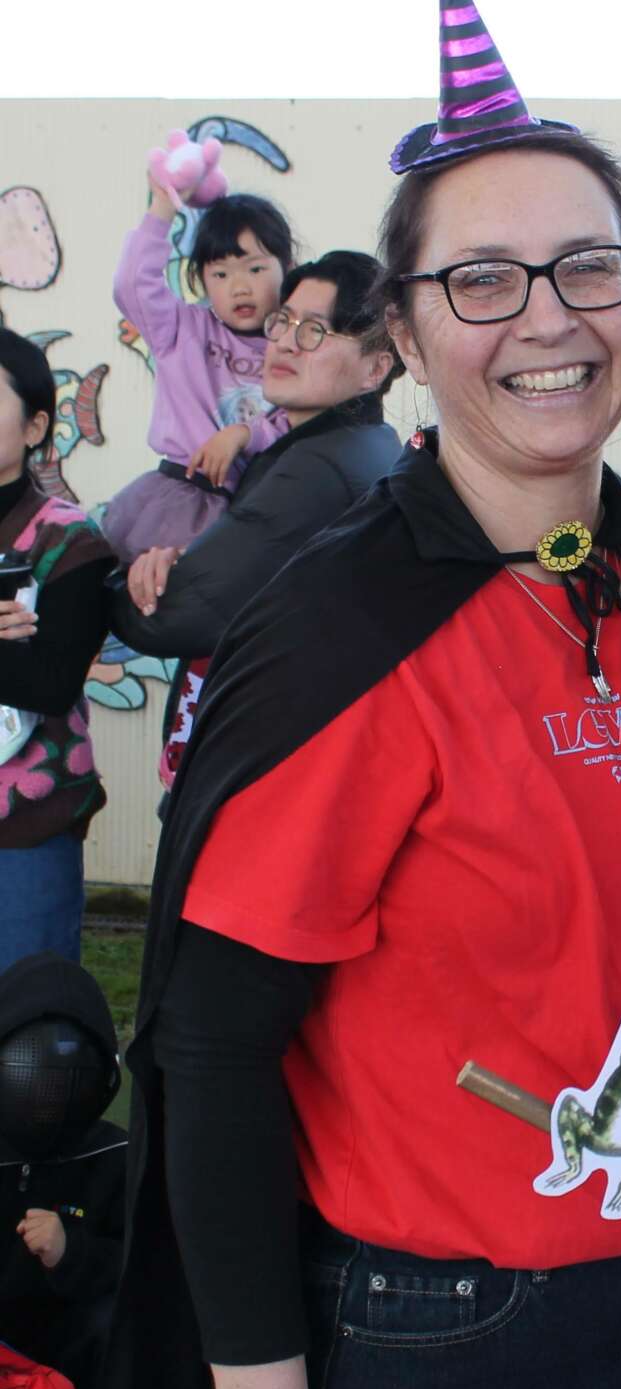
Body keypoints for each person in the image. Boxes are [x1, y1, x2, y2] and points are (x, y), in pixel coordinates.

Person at [95, 12, 621, 1389]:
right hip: (442, 1337)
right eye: (483, 279)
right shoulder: (343, 630)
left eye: (588, 267)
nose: (548, 319)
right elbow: (213, 1043)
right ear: (406, 330)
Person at [108, 249, 402, 792]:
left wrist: (117, 583)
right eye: (283, 321)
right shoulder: (361, 445)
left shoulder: (316, 469)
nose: (286, 342)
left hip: (263, 772)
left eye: (315, 330)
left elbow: (176, 616)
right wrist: (187, 559)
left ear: (376, 369)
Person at [0, 329, 113, 971]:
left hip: (25, 826)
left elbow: (47, 683)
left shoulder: (70, 541)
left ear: (36, 426)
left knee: (24, 1013)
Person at [103, 185, 295, 561]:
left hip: (251, 506)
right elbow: (132, 284)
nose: (239, 287)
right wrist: (163, 206)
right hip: (179, 495)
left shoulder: (293, 346)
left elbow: (300, 421)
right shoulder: (181, 329)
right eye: (220, 274)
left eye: (255, 269)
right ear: (200, 280)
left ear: (287, 268)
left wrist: (245, 434)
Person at [0, 952, 128, 1389]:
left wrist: (70, 1253)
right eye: (31, 1071)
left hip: (71, 1353)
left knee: (114, 1322)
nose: (46, 1095)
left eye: (66, 1080)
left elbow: (143, 1264)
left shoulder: (116, 1156)